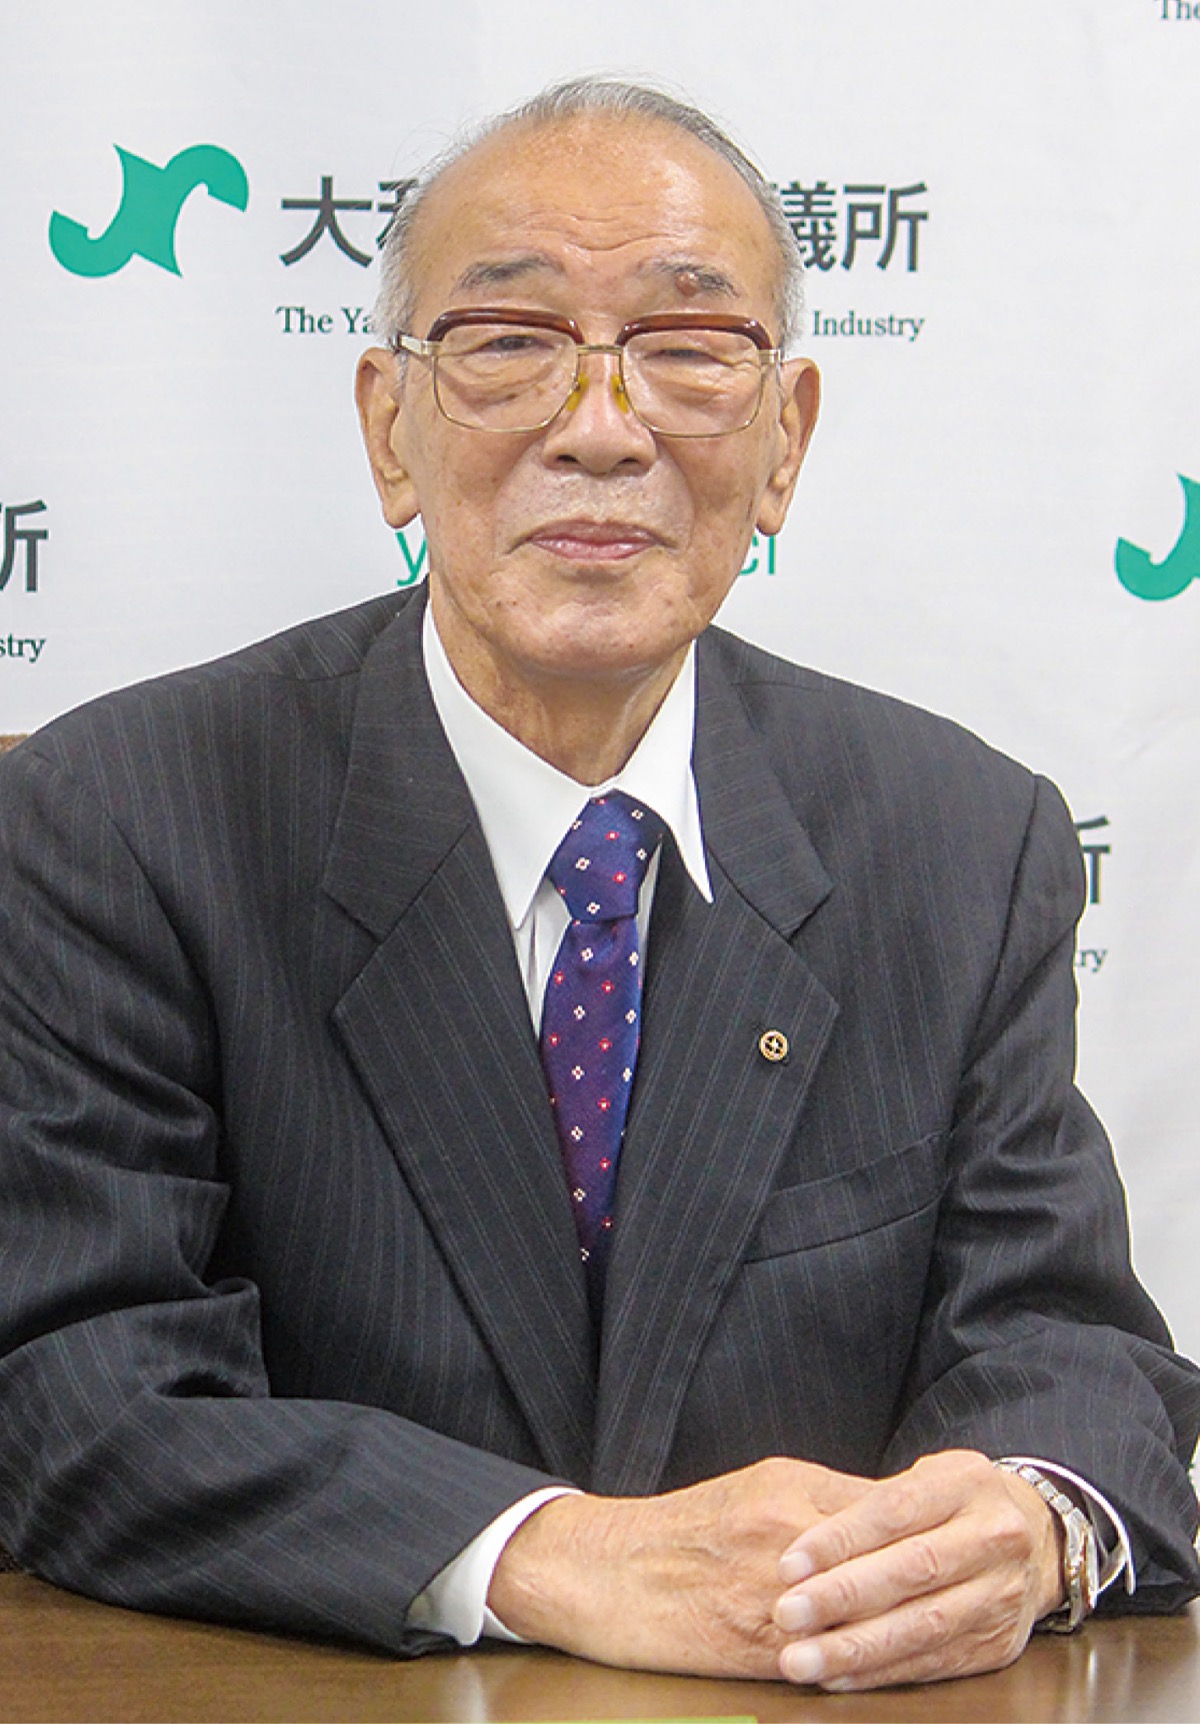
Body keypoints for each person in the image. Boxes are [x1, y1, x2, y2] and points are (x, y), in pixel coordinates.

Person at [0, 78, 1197, 1696]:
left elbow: (1066, 1341)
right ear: (389, 428)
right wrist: (554, 1556)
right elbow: (76, 1395)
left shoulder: (962, 843)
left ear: (785, 441)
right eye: (509, 342)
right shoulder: (122, 821)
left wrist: (1030, 1518)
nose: (601, 426)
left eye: (688, 350)